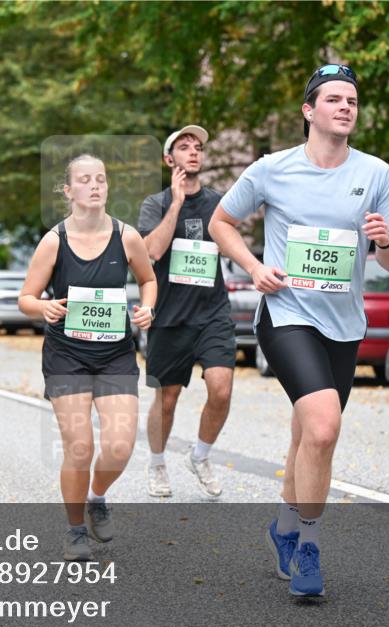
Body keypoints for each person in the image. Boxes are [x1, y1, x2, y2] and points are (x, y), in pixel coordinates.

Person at [209, 64, 389, 597]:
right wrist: (253, 268)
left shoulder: (377, 173)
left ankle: (284, 528)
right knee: (322, 428)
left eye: (353, 100)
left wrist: (385, 239)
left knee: (306, 435)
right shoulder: (273, 169)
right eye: (335, 99)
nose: (346, 107)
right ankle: (310, 550)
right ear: (308, 110)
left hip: (344, 325)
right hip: (286, 315)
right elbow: (220, 223)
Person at [19, 154, 156, 561]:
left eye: (101, 179)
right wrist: (41, 307)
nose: (95, 185)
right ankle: (75, 529)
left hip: (115, 354)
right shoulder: (54, 240)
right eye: (85, 180)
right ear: (69, 190)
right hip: (67, 355)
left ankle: (97, 496)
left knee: (119, 446)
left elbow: (148, 280)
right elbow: (25, 297)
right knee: (79, 446)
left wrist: (148, 308)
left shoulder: (127, 236)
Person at [138, 125, 234, 498]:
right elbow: (151, 252)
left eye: (198, 147)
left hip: (212, 312)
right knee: (167, 398)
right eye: (184, 147)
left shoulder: (218, 203)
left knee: (222, 390)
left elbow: (230, 243)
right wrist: (176, 205)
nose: (194, 152)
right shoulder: (155, 204)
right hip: (169, 315)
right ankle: (157, 463)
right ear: (169, 159)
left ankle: (200, 456)